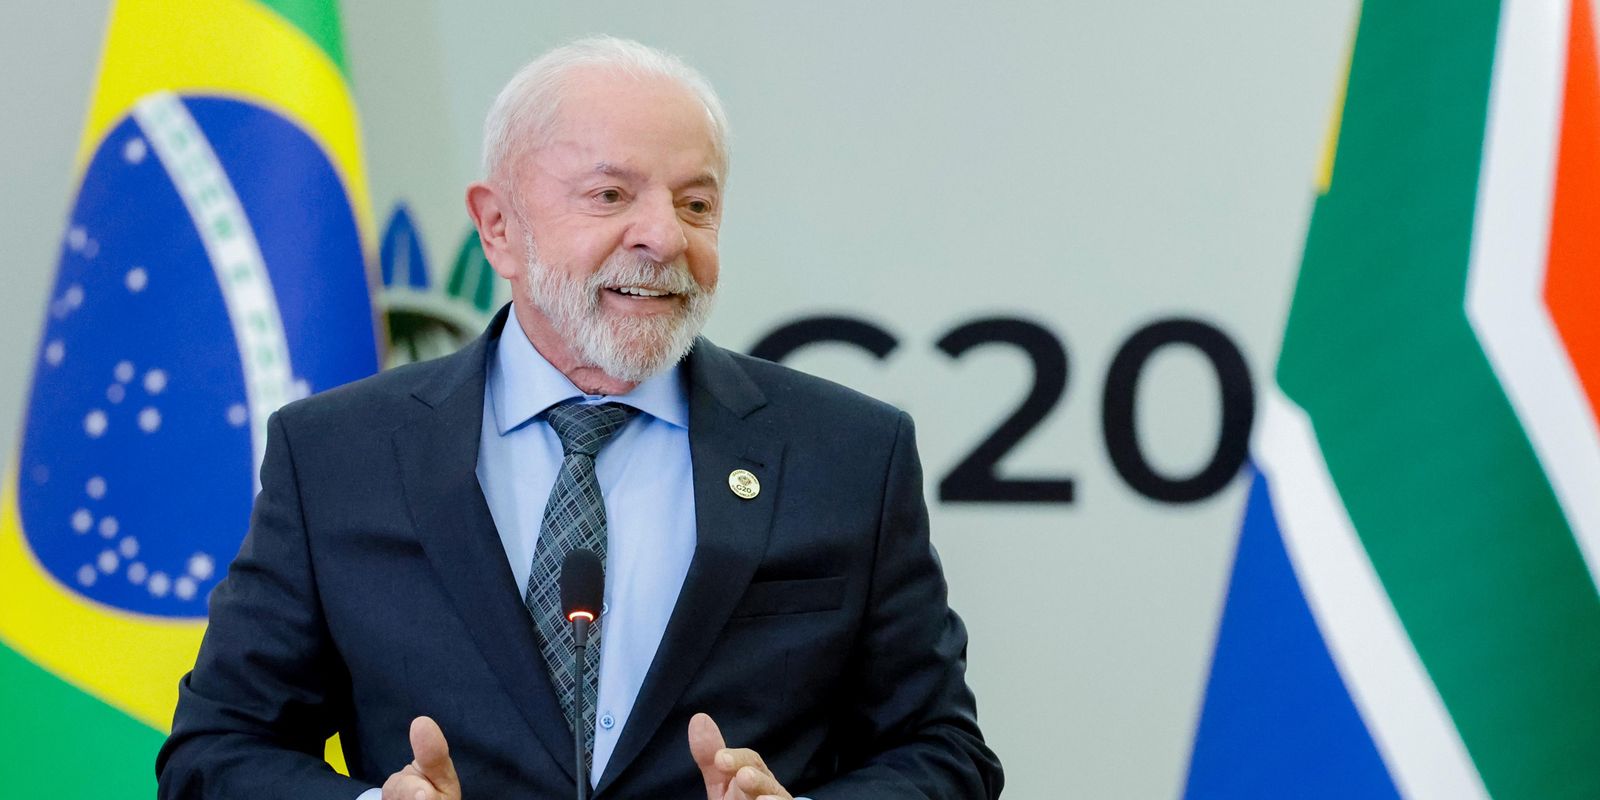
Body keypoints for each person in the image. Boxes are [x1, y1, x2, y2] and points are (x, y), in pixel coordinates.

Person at [156, 36, 1002, 799]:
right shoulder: (336, 456)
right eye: (610, 194)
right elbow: (215, 752)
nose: (663, 237)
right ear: (498, 227)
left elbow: (944, 753)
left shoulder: (846, 454)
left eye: (696, 205)